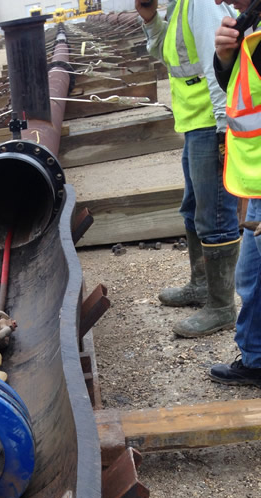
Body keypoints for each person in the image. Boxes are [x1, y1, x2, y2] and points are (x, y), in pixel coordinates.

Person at [135, 0, 241, 337]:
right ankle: (201, 284)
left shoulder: (202, 4)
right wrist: (150, 19)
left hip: (211, 123)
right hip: (195, 123)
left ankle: (221, 307)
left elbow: (218, 63)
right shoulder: (180, 5)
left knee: (215, 216)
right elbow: (172, 57)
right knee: (193, 208)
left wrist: (224, 128)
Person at [208, 0, 261, 386]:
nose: (218, 1)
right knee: (251, 278)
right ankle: (256, 360)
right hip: (256, 184)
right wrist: (226, 59)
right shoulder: (252, 25)